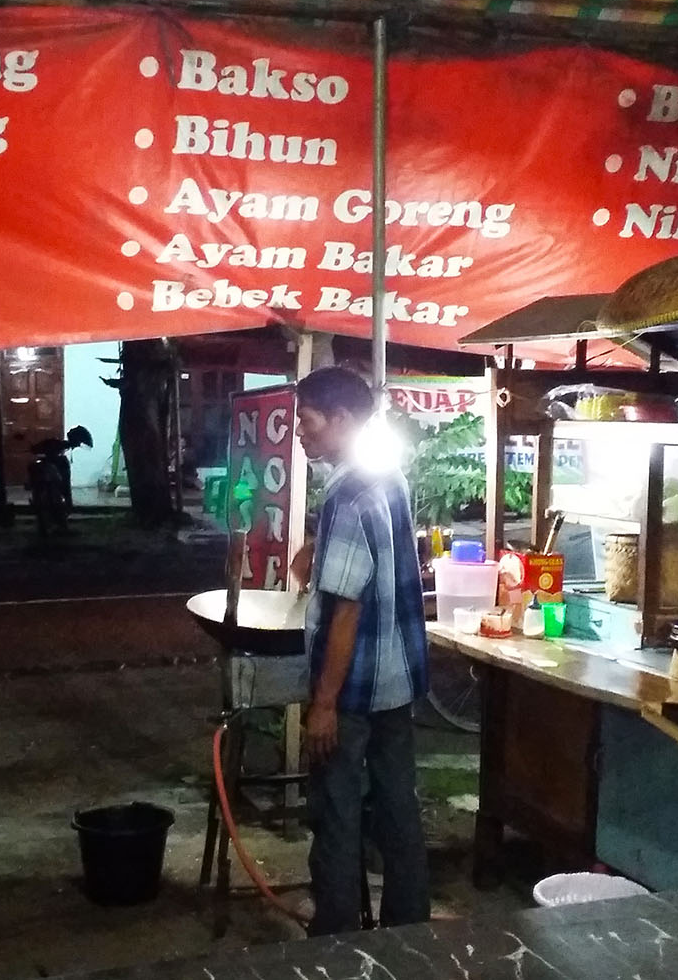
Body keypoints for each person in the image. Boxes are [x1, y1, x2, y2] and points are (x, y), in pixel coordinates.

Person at [290, 365, 431, 937]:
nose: (300, 432)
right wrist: (317, 550)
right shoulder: (388, 475)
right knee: (399, 805)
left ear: (341, 419)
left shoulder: (349, 494)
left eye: (308, 421)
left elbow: (346, 610)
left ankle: (337, 937)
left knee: (339, 813)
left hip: (350, 691)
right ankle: (409, 928)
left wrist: (323, 704)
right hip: (398, 680)